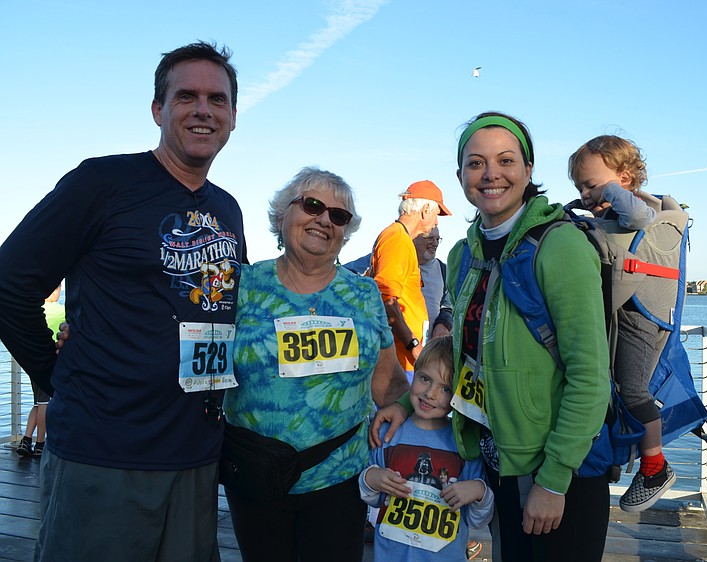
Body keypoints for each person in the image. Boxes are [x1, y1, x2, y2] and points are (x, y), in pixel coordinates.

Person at [0, 41, 244, 561]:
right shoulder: (102, 183)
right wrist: (52, 374)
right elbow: (8, 284)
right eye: (187, 97)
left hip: (197, 459)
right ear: (158, 109)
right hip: (104, 456)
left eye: (217, 100)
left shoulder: (229, 209)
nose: (204, 110)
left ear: (233, 115)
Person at [373, 112, 612, 562]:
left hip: (558, 470)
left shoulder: (560, 247)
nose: (490, 174)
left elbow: (590, 375)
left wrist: (553, 479)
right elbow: (459, 359)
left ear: (528, 170)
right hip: (496, 459)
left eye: (505, 160)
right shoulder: (464, 254)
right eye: (475, 163)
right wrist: (405, 403)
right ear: (461, 175)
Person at [222, 167, 410, 562]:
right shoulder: (242, 286)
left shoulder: (363, 294)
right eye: (312, 206)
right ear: (282, 215)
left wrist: (407, 405)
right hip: (256, 475)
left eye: (338, 216)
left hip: (339, 478)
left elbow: (389, 385)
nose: (324, 219)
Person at [568, 135, 675, 512]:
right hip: (622, 317)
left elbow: (638, 218)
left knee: (631, 390)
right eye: (580, 187)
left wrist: (610, 191)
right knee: (606, 388)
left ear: (624, 180)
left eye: (591, 184)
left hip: (642, 319)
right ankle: (611, 457)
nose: (585, 194)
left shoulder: (639, 209)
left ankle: (655, 466)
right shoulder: (608, 217)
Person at [360, 336, 494, 562]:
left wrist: (479, 491)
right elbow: (370, 497)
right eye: (424, 378)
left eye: (445, 388)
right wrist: (371, 478)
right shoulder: (388, 433)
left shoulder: (463, 443)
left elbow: (478, 519)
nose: (430, 393)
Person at [370, 181, 452, 380]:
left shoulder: (401, 239)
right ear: (425, 210)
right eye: (436, 215)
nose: (436, 223)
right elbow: (386, 299)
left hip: (405, 360)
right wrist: (413, 345)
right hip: (399, 362)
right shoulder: (397, 239)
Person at [16, 285, 65, 458]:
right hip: (51, 363)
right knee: (45, 404)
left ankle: (26, 439)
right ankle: (40, 444)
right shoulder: (62, 311)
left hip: (32, 363)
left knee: (38, 403)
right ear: (54, 291)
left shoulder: (36, 311)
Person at [413, 227, 453, 339]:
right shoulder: (396, 264)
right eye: (430, 238)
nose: (435, 243)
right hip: (400, 347)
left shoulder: (444, 271)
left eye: (437, 239)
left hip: (429, 350)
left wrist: (444, 324)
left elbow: (448, 306)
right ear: (414, 238)